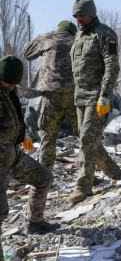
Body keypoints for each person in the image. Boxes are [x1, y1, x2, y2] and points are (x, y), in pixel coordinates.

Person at [0, 56, 59, 261]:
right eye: (7, 83)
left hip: (13, 156)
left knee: (44, 177)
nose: (11, 87)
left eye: (14, 84)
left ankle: (34, 222)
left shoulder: (9, 90)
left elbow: (13, 116)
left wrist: (20, 136)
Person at [69, 0, 121, 205]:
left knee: (87, 140)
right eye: (75, 15)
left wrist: (105, 96)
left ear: (91, 13)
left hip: (96, 98)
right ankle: (114, 171)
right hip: (79, 98)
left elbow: (112, 66)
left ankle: (83, 186)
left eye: (81, 14)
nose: (78, 18)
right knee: (88, 141)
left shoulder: (104, 34)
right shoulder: (79, 36)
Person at [24, 20, 79, 170]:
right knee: (85, 135)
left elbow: (27, 53)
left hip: (50, 96)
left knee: (48, 136)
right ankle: (93, 172)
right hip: (73, 95)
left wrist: (43, 38)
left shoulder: (48, 38)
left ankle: (45, 175)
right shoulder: (78, 40)